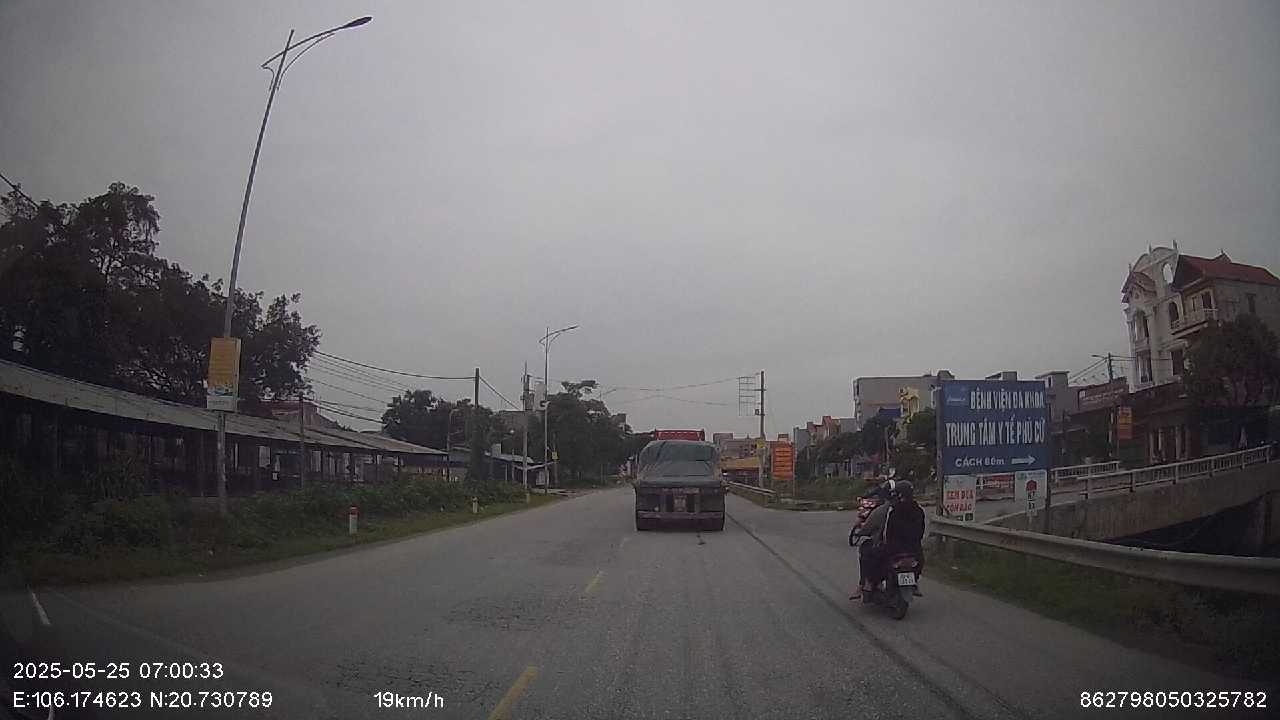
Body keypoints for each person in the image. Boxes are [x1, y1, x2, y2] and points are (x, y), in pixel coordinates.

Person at [850, 480, 894, 599]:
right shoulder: (915, 509)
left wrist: (861, 533)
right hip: (909, 547)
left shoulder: (882, 510)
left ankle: (865, 583)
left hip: (887, 546)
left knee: (866, 550)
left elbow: (868, 527)